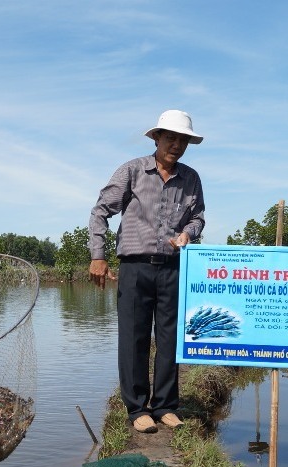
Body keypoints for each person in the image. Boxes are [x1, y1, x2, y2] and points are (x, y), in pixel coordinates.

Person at [88, 110, 205, 434]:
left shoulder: (191, 178)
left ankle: (166, 405)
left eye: (183, 140)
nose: (177, 145)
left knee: (169, 338)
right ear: (157, 138)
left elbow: (198, 218)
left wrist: (188, 234)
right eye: (171, 138)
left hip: (173, 267)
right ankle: (137, 408)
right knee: (134, 338)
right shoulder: (133, 171)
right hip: (135, 267)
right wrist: (98, 256)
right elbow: (101, 211)